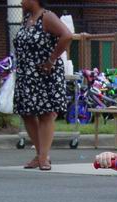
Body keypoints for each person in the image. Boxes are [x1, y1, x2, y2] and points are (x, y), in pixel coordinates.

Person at [13, 0, 72, 171]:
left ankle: (44, 157)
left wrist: (51, 59)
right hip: (27, 74)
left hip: (45, 73)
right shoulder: (27, 19)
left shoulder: (47, 17)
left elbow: (67, 35)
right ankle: (40, 154)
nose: (21, 1)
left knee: (46, 114)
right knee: (27, 113)